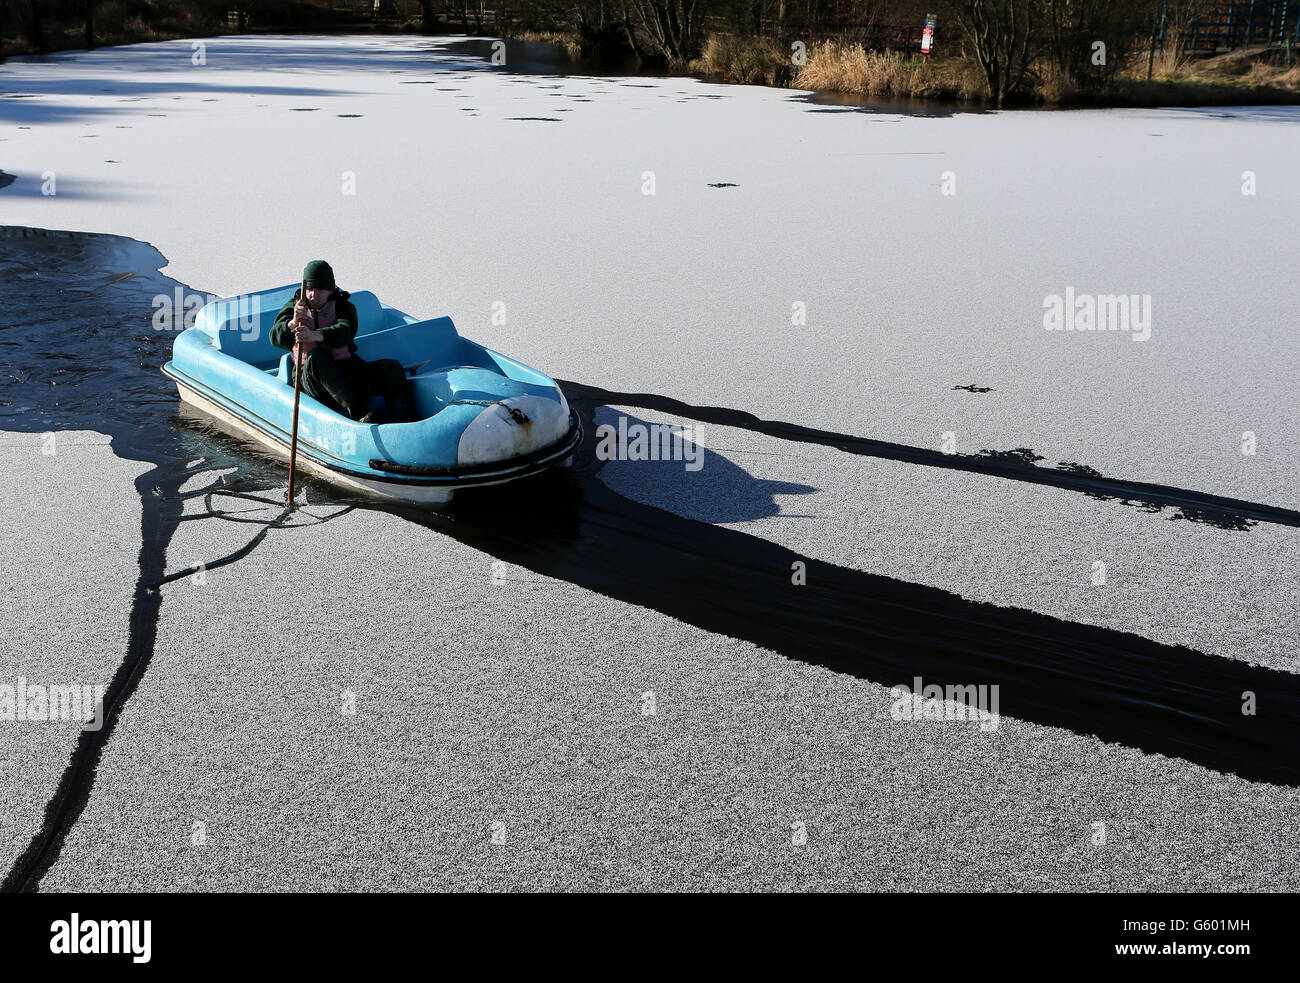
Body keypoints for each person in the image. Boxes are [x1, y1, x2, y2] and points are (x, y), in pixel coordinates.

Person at [270, 260, 412, 424]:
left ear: (330, 289)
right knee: (317, 356)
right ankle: (360, 414)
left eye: (320, 289)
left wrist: (316, 335)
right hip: (311, 381)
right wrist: (293, 323)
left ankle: (404, 421)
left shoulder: (343, 306)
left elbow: (346, 330)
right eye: (309, 289)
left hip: (346, 371)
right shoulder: (294, 307)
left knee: (391, 368)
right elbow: (275, 337)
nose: (313, 295)